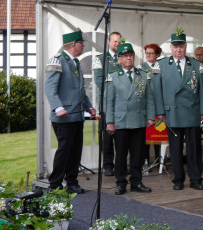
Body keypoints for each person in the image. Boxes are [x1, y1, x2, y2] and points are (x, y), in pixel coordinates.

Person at [153, 28, 203, 190]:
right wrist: (160, 111)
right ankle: (178, 180)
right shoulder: (161, 65)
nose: (178, 50)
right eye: (175, 46)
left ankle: (196, 179)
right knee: (175, 149)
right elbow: (157, 91)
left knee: (194, 149)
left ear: (185, 47)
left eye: (181, 46)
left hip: (192, 112)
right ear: (171, 47)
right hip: (172, 113)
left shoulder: (196, 65)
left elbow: (202, 91)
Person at [44, 30, 96, 193]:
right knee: (64, 151)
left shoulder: (75, 62)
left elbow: (80, 90)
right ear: (73, 44)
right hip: (64, 116)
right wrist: (58, 107)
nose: (83, 46)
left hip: (77, 114)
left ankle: (72, 182)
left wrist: (89, 106)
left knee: (75, 151)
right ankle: (55, 184)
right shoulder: (57, 60)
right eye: (82, 43)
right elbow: (50, 88)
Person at [105, 42, 155, 195]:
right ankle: (120, 183)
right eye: (125, 56)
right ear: (119, 59)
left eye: (131, 55)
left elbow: (149, 98)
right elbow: (109, 102)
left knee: (138, 155)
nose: (128, 58)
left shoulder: (143, 75)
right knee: (120, 155)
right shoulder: (113, 77)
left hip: (138, 120)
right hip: (120, 122)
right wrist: (109, 122)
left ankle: (136, 182)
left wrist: (151, 116)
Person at [93, 31, 122, 176]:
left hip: (122, 105)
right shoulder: (100, 59)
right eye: (114, 41)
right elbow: (99, 81)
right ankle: (108, 165)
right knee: (107, 137)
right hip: (106, 103)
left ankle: (120, 165)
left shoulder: (124, 57)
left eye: (119, 41)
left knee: (121, 137)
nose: (117, 44)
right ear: (108, 42)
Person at [142, 43, 163, 164]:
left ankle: (158, 160)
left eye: (151, 53)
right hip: (146, 106)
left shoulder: (161, 66)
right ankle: (145, 161)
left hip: (159, 106)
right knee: (146, 135)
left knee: (159, 134)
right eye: (147, 53)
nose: (149, 55)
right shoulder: (140, 67)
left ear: (157, 55)